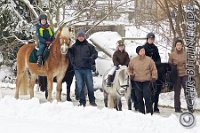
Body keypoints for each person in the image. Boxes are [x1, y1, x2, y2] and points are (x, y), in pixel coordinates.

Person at [68, 30, 98, 107]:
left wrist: (91, 58)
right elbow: (70, 55)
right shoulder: (74, 47)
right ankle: (82, 102)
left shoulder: (89, 46)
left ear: (84, 37)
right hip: (78, 69)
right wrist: (73, 63)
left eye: (82, 36)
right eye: (79, 36)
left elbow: (95, 53)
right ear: (77, 37)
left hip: (87, 69)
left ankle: (92, 101)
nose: (81, 38)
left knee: (90, 85)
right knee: (80, 85)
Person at [128, 46, 157, 114]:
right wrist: (131, 74)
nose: (143, 52)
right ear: (138, 52)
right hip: (136, 81)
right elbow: (129, 69)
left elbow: (154, 69)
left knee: (147, 97)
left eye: (143, 50)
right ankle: (141, 113)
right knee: (139, 98)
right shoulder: (133, 60)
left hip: (146, 81)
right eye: (141, 51)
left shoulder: (149, 60)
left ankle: (149, 112)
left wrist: (154, 77)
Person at [168, 39, 193, 113]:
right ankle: (177, 108)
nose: (179, 46)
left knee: (187, 91)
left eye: (180, 44)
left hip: (184, 74)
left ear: (182, 46)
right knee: (177, 92)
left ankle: (190, 108)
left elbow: (190, 63)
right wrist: (173, 67)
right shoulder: (172, 54)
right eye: (177, 45)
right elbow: (169, 64)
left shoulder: (186, 54)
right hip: (176, 75)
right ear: (175, 46)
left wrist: (187, 67)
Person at [143, 32, 161, 112]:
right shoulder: (143, 48)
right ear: (147, 39)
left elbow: (158, 58)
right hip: (146, 68)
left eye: (152, 39)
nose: (151, 40)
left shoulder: (155, 48)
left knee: (159, 82)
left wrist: (157, 63)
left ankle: (156, 106)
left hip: (154, 68)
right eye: (150, 39)